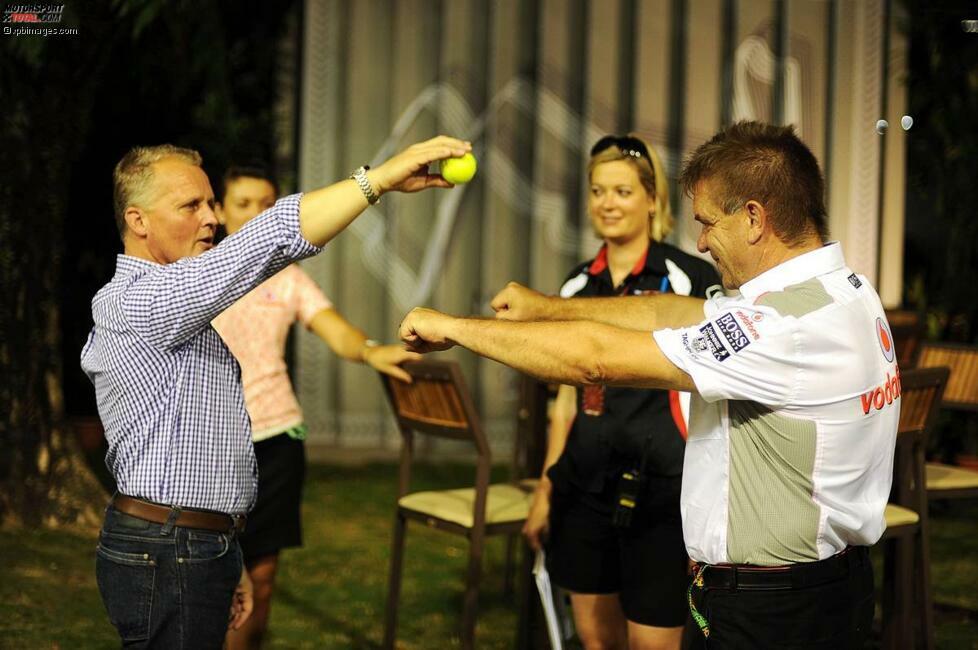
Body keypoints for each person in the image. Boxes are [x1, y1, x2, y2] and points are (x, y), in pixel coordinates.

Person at [398, 122, 897, 649]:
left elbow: (596, 361)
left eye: (708, 223)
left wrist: (454, 327)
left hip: (774, 611)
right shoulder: (841, 290)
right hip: (819, 588)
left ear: (753, 217)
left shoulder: (780, 327)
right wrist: (548, 307)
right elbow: (671, 311)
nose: (701, 242)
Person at [81, 136, 470, 649]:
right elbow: (275, 236)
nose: (210, 219)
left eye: (208, 203)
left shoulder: (169, 300)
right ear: (138, 221)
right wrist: (378, 179)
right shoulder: (142, 300)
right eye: (190, 205)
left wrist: (224, 551)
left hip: (191, 542)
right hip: (169, 546)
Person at [521, 135, 719, 650]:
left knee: (653, 642)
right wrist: (546, 490)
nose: (607, 202)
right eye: (597, 190)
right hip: (583, 486)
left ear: (653, 200)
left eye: (622, 191)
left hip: (661, 490)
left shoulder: (687, 279)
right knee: (594, 640)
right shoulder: (573, 287)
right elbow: (564, 402)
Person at [211, 165, 420, 650]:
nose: (256, 215)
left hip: (280, 439)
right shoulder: (199, 271)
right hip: (213, 445)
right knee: (209, 578)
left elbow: (333, 327)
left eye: (266, 205)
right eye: (243, 204)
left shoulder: (288, 280)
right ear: (219, 212)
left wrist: (369, 350)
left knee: (260, 580)